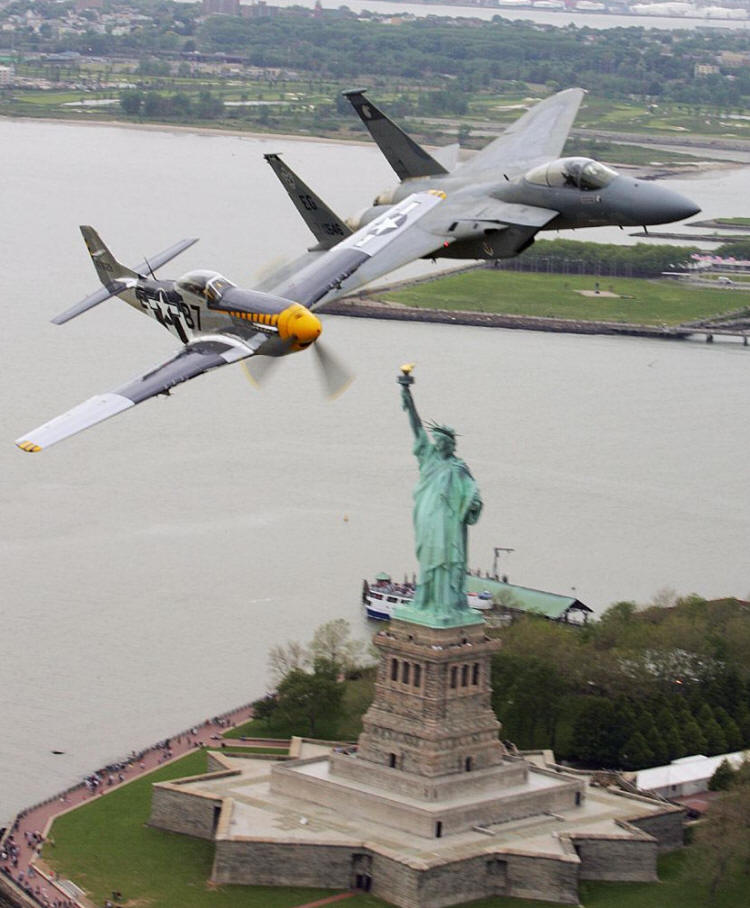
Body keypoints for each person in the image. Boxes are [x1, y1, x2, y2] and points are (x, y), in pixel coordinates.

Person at [400, 373, 482, 621]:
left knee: (447, 559)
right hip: (427, 516)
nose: (438, 444)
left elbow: (472, 492)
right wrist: (407, 395)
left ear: (450, 444)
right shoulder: (428, 456)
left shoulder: (459, 467)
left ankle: (446, 604)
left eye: (442, 441)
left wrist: (474, 502)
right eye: (436, 440)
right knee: (429, 558)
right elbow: (416, 428)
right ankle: (426, 602)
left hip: (448, 520)